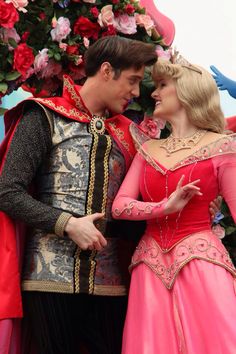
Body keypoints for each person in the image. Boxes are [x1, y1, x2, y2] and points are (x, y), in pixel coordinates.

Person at [0, 36, 219, 354]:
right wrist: (68, 223)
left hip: (112, 286)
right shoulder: (43, 116)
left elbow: (145, 203)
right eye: (131, 81)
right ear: (105, 71)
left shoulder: (130, 135)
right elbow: (7, 190)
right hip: (49, 281)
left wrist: (201, 204)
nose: (135, 93)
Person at [112, 56, 236, 353]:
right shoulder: (148, 148)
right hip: (149, 268)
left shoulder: (222, 147)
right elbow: (119, 206)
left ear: (187, 91)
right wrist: (163, 207)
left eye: (163, 85)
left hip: (203, 266)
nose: (154, 93)